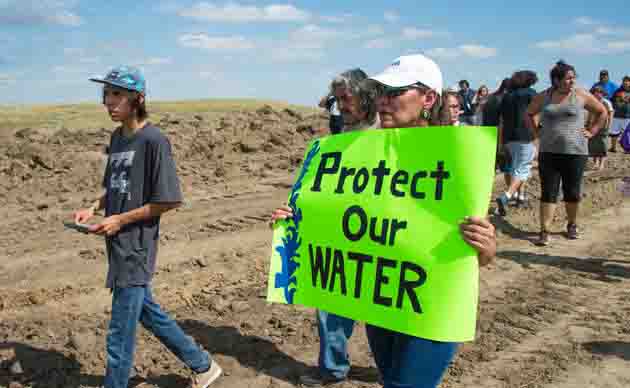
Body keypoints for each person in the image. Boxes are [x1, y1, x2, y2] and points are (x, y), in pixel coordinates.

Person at [275, 54, 496, 388]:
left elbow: (478, 253)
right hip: (383, 300)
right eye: (380, 91)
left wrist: (486, 245)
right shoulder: (362, 152)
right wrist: (296, 221)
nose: (382, 100)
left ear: (428, 98)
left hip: (432, 303)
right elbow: (346, 218)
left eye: (394, 92)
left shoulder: (457, 155)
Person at [74, 66, 222, 388]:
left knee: (119, 333)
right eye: (106, 94)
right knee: (145, 311)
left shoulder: (154, 140)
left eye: (117, 95)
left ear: (137, 98)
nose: (108, 102)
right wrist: (93, 207)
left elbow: (168, 200)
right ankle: (204, 365)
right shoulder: (117, 138)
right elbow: (113, 184)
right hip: (117, 243)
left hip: (137, 245)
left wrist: (121, 219)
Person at [276, 68, 378, 387]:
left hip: (379, 236)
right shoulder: (336, 138)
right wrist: (296, 208)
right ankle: (333, 368)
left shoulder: (388, 133)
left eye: (346, 99)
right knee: (331, 301)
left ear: (365, 97)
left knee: (383, 310)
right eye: (338, 100)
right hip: (338, 234)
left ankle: (394, 369)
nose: (341, 106)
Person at [525, 61, 607, 246]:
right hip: (549, 152)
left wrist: (592, 131)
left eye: (573, 77)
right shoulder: (544, 96)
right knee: (548, 192)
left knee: (572, 191)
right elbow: (529, 113)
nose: (572, 81)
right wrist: (536, 132)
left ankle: (572, 224)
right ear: (556, 80)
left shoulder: (581, 95)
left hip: (576, 152)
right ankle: (544, 230)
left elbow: (602, 112)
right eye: (568, 78)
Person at [495, 70, 538, 214]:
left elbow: (501, 120)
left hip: (508, 137)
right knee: (523, 169)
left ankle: (519, 196)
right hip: (525, 136)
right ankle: (507, 196)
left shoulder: (507, 96)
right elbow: (536, 115)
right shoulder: (531, 94)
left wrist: (501, 142)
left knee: (515, 168)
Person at [483, 78, 512, 176]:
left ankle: (493, 167)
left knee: (492, 149)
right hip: (500, 126)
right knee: (501, 149)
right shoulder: (505, 97)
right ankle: (502, 167)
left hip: (488, 127)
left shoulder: (491, 97)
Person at [587, 85, 614, 170]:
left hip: (603, 126)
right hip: (592, 125)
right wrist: (588, 124)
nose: (597, 94)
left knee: (603, 144)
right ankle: (596, 163)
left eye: (599, 92)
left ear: (602, 93)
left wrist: (609, 124)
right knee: (594, 145)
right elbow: (589, 113)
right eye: (595, 92)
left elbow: (611, 113)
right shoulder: (591, 102)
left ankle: (601, 163)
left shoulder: (606, 102)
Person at [609, 76, 630, 153]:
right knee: (614, 132)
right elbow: (611, 101)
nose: (625, 83)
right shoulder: (617, 91)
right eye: (624, 81)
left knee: (627, 133)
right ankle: (613, 148)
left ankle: (627, 149)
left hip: (628, 116)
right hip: (617, 116)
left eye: (627, 81)